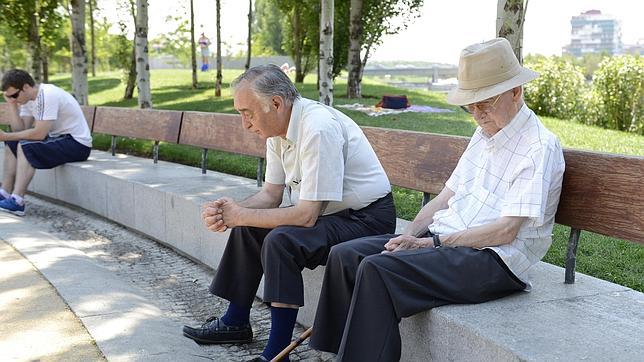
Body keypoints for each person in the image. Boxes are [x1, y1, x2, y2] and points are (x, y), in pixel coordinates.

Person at [309, 38, 566, 361]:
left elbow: (505, 232)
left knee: (377, 269)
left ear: (516, 91)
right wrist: (411, 234)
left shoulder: (539, 146)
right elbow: (445, 197)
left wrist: (433, 244)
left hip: (494, 260)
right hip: (448, 241)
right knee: (346, 256)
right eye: (470, 105)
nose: (476, 113)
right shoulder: (483, 134)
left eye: (484, 102)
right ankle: (333, 353)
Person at [182, 64, 396, 361]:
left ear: (276, 104)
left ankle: (277, 351)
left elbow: (306, 216)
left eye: (248, 113)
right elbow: (270, 195)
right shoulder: (277, 130)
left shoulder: (317, 128)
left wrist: (241, 215)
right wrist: (229, 211)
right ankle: (235, 321)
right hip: (331, 215)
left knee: (280, 240)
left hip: (366, 219)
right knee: (248, 226)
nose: (245, 124)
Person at [0, 69, 92, 216]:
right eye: (10, 96)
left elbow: (39, 133)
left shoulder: (47, 94)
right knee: (12, 143)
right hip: (60, 139)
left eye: (14, 95)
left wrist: (5, 136)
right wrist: (12, 106)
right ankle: (4, 192)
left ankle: (17, 201)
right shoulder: (28, 100)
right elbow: (20, 129)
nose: (14, 99)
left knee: (24, 146)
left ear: (25, 87)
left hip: (77, 144)